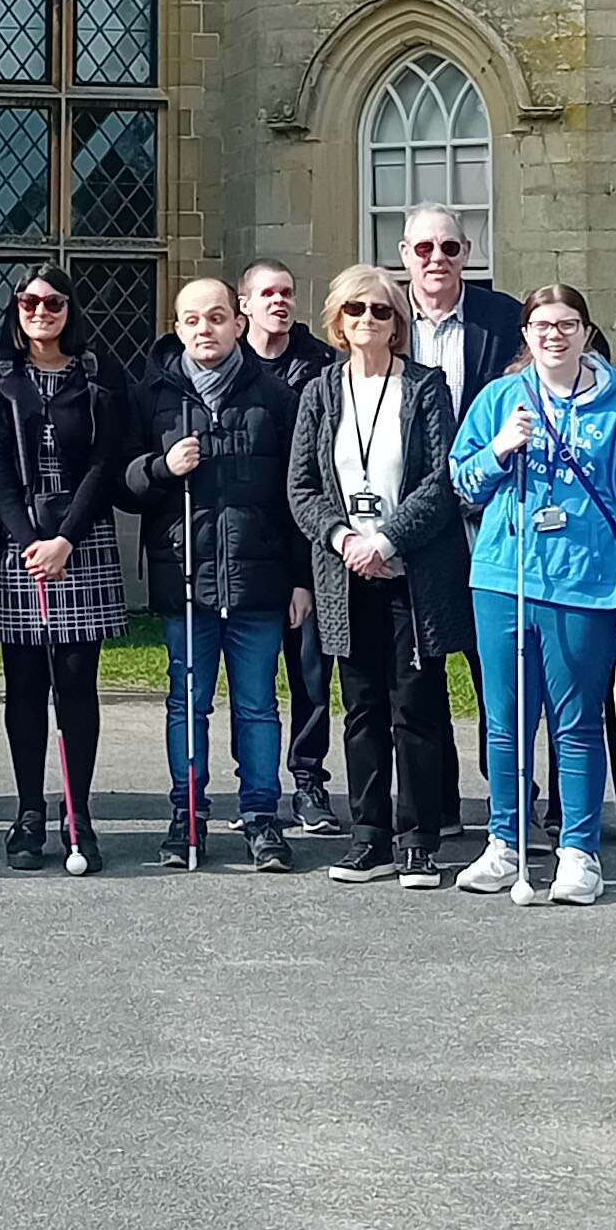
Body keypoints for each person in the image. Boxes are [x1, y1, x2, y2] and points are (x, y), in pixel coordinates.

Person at [448, 282, 616, 906]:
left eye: (567, 324)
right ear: (526, 334)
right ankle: (505, 842)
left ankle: (579, 851)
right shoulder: (498, 399)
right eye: (542, 324)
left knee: (573, 725)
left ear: (586, 333)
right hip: (503, 577)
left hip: (584, 584)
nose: (554, 335)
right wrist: (499, 449)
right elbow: (462, 483)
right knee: (506, 724)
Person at [287, 261, 469, 886]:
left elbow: (442, 480)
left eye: (383, 311)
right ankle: (371, 836)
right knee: (360, 708)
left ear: (398, 324)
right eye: (356, 311)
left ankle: (419, 839)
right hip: (345, 574)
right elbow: (301, 487)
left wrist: (389, 538)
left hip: (410, 573)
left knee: (415, 706)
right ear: (338, 322)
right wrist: (343, 539)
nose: (369, 321)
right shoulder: (320, 391)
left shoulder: (426, 387)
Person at [130, 274, 307, 872]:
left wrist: (302, 578)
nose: (205, 329)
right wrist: (161, 467)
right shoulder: (153, 395)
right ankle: (189, 816)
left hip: (259, 579)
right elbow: (123, 486)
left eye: (215, 317)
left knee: (257, 705)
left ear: (237, 321)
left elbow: (300, 492)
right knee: (187, 704)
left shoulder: (275, 396)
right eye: (191, 320)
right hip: (185, 579)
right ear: (178, 327)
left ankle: (261, 818)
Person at [0, 261, 137, 874]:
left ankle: (79, 813)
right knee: (24, 687)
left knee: (76, 686)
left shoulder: (100, 376)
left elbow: (104, 464)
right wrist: (30, 543)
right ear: (16, 308)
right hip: (19, 543)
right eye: (29, 302)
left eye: (53, 303)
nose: (41, 312)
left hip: (81, 539)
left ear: (70, 310)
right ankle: (27, 813)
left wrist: (65, 540)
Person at [236, 261, 345, 836]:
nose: (279, 302)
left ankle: (309, 782)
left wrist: (305, 574)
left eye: (286, 293)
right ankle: (252, 792)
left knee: (309, 676)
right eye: (267, 294)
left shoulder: (322, 367)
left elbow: (321, 479)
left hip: (309, 550)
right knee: (249, 686)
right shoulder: (226, 367)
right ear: (244, 304)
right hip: (246, 554)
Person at [397, 205, 530, 431]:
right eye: (424, 248)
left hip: (480, 461)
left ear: (466, 252)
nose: (437, 258)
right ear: (405, 254)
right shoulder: (379, 315)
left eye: (449, 247)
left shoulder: (505, 316)